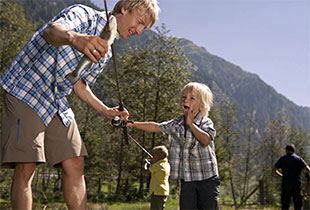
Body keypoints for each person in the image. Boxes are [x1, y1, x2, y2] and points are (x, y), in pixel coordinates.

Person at [0, 0, 160, 209]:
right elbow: (51, 31)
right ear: (124, 9)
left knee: (75, 161)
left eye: (144, 28)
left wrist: (105, 110)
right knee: (27, 165)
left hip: (55, 100)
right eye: (140, 22)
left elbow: (79, 84)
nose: (139, 31)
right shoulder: (84, 15)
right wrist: (75, 38)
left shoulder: (107, 51)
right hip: (26, 88)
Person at [127, 82, 221, 210]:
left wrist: (191, 124)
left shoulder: (205, 122)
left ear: (202, 105)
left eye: (191, 98)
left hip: (207, 180)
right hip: (187, 181)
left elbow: (206, 140)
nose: (185, 100)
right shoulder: (175, 124)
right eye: (183, 97)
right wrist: (132, 124)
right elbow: (155, 126)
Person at [273, 144, 310, 210]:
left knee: (285, 205)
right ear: (294, 150)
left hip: (286, 183)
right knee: (298, 205)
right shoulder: (299, 159)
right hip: (297, 183)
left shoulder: (283, 159)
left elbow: (274, 169)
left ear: (286, 150)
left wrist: (281, 175)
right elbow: (308, 169)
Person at [143, 145, 170, 210]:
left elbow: (146, 171)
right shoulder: (166, 164)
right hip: (164, 191)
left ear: (159, 156)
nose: (152, 157)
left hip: (157, 192)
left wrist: (145, 164)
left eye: (154, 155)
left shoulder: (158, 165)